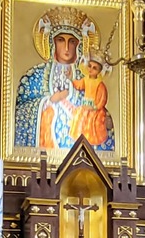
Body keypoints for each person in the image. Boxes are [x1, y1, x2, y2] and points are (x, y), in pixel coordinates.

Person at [13, 8, 115, 154]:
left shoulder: (87, 77)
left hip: (80, 148)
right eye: (61, 40)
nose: (66, 47)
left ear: (78, 45)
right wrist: (47, 102)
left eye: (72, 42)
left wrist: (102, 117)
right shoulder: (36, 75)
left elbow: (98, 104)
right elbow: (20, 110)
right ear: (52, 42)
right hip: (44, 151)